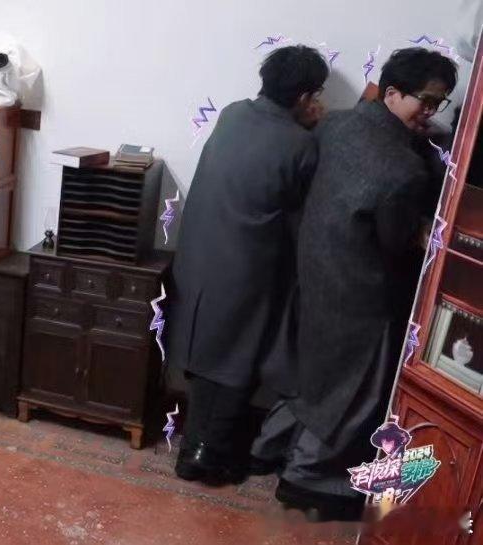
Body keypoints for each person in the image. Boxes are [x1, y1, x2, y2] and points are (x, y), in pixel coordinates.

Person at [254, 47, 457, 520]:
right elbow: (393, 241)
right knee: (354, 388)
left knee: (311, 376)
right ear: (392, 93)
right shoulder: (404, 168)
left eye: (438, 103)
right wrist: (420, 230)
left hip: (314, 269)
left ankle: (268, 448)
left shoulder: (336, 124)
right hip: (360, 289)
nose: (430, 112)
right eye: (425, 101)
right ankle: (306, 480)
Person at [167, 45, 328, 485]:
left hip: (199, 255)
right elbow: (300, 212)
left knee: (209, 358)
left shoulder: (233, 113)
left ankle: (196, 448)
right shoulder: (301, 144)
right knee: (236, 360)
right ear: (304, 97)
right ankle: (204, 456)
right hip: (247, 265)